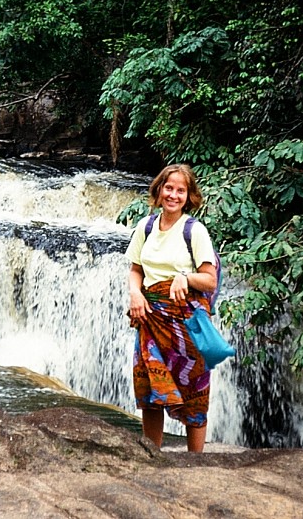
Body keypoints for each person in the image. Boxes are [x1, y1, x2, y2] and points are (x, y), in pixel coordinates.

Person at [125, 163, 218, 452]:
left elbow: (210, 280)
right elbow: (135, 269)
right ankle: (151, 454)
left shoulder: (195, 231)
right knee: (151, 389)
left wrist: (185, 277)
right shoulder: (146, 226)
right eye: (169, 188)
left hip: (186, 323)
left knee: (194, 392)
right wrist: (135, 294)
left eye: (180, 190)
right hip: (150, 317)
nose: (173, 195)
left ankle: (196, 463)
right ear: (159, 190)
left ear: (188, 196)